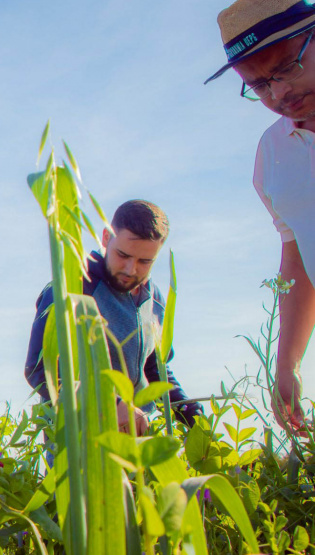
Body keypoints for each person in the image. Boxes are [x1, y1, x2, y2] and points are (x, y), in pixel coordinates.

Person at [206, 0, 315, 434]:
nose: (279, 95)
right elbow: (299, 256)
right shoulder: (272, 153)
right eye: (259, 85)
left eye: (287, 68)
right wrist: (287, 364)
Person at [24, 200, 204, 434]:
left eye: (145, 261)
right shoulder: (73, 287)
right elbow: (40, 370)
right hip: (80, 444)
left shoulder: (155, 299)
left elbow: (155, 369)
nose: (131, 269)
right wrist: (111, 404)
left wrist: (190, 414)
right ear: (106, 237)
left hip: (138, 440)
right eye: (123, 255)